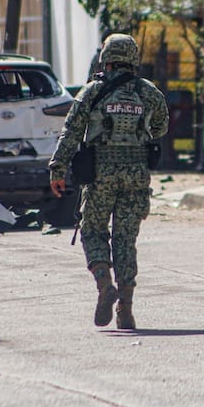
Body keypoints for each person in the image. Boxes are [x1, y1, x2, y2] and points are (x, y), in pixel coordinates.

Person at [50, 34, 169, 329]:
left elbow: (71, 131)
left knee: (92, 231)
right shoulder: (149, 92)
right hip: (136, 174)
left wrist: (58, 168)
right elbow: (161, 126)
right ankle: (125, 310)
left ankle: (105, 285)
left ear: (107, 59)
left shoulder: (92, 91)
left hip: (101, 174)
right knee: (126, 240)